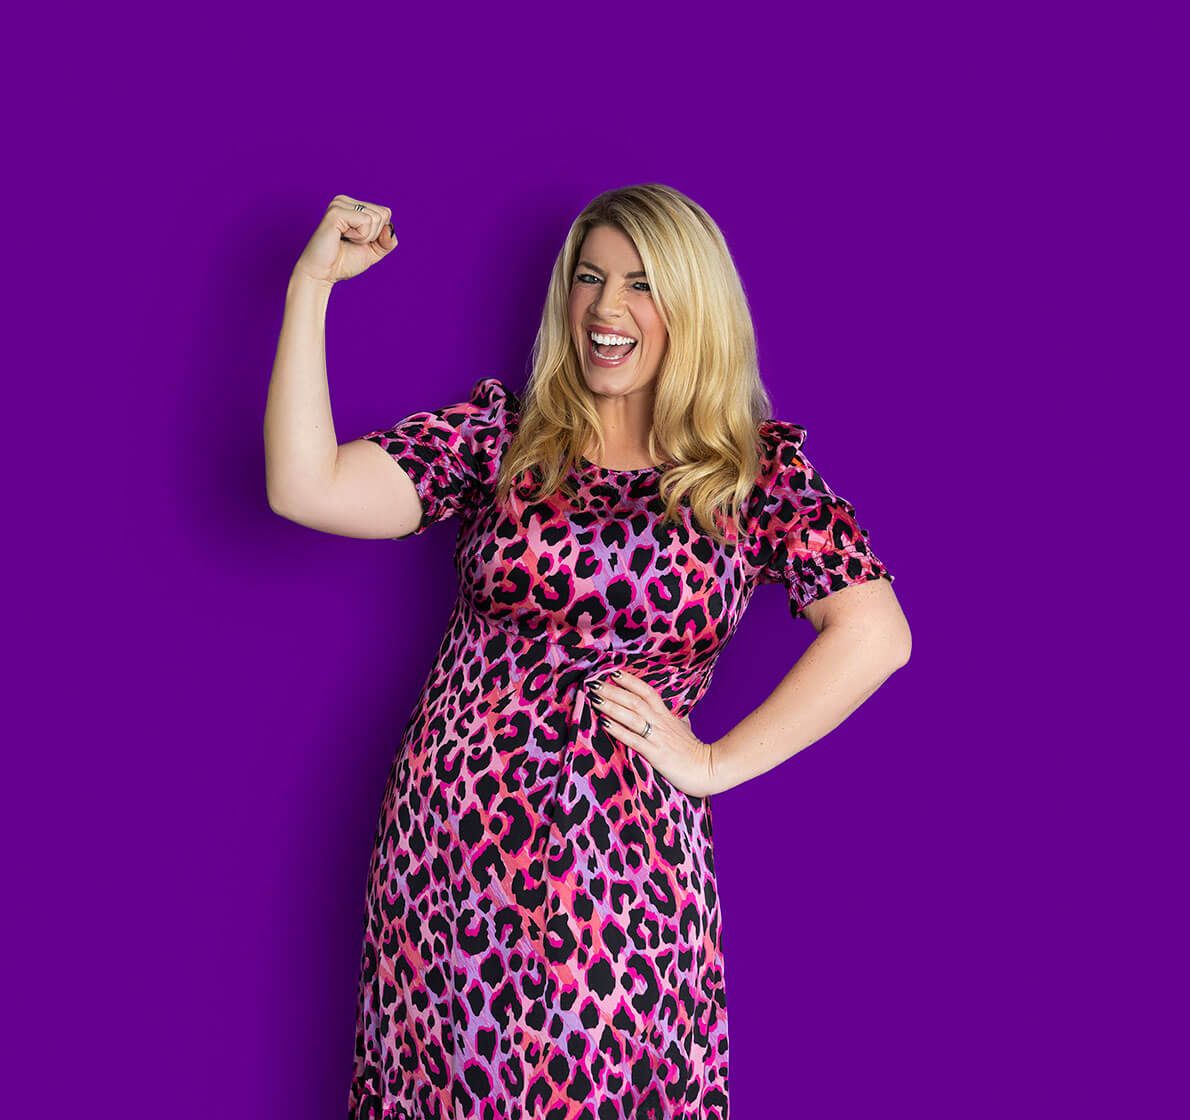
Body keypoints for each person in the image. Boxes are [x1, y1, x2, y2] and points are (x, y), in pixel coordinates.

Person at [264, 184, 911, 1119]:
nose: (607, 308)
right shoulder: (501, 438)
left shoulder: (750, 473)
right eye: (590, 278)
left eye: (642, 284)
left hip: (620, 875)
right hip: (448, 855)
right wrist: (311, 284)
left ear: (694, 306)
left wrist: (716, 763)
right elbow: (306, 486)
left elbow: (876, 632)